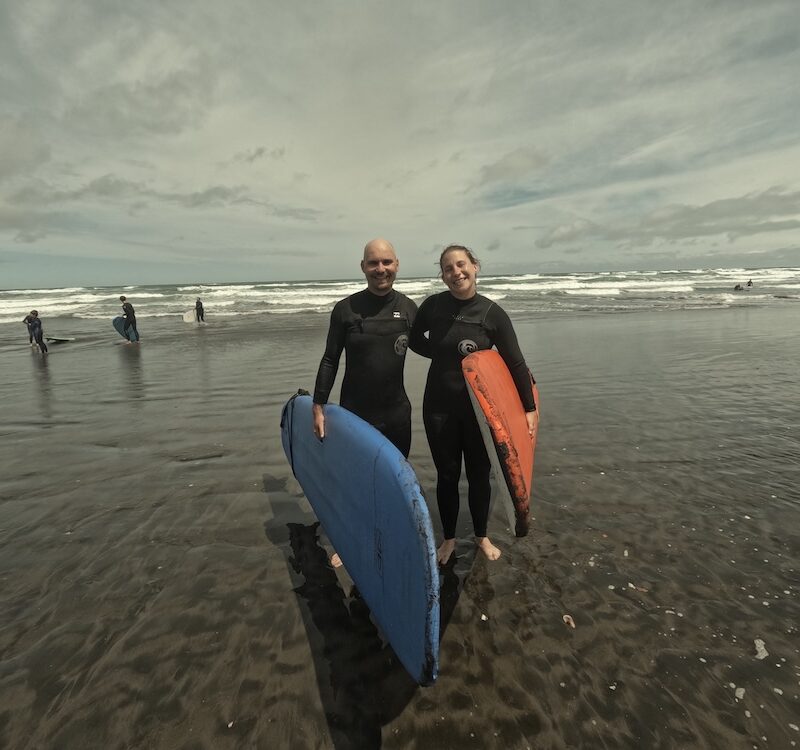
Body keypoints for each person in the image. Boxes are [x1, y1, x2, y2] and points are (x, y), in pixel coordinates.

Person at [409, 245, 537, 565]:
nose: (456, 272)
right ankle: (449, 539)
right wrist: (442, 353)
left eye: (461, 264)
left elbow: (515, 363)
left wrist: (528, 408)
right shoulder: (434, 305)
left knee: (480, 474)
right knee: (447, 475)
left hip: (480, 412)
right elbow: (414, 339)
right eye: (448, 268)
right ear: (443, 276)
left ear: (475, 266)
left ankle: (481, 535)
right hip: (438, 406)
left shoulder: (492, 314)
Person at [312, 238, 418, 566]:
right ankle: (351, 541)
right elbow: (330, 359)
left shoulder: (409, 308)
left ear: (397, 265)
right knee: (355, 483)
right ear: (363, 267)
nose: (380, 269)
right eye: (373, 263)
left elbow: (438, 347)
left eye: (386, 262)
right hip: (356, 414)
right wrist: (318, 405)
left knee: (394, 481)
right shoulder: (346, 309)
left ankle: (389, 535)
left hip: (397, 413)